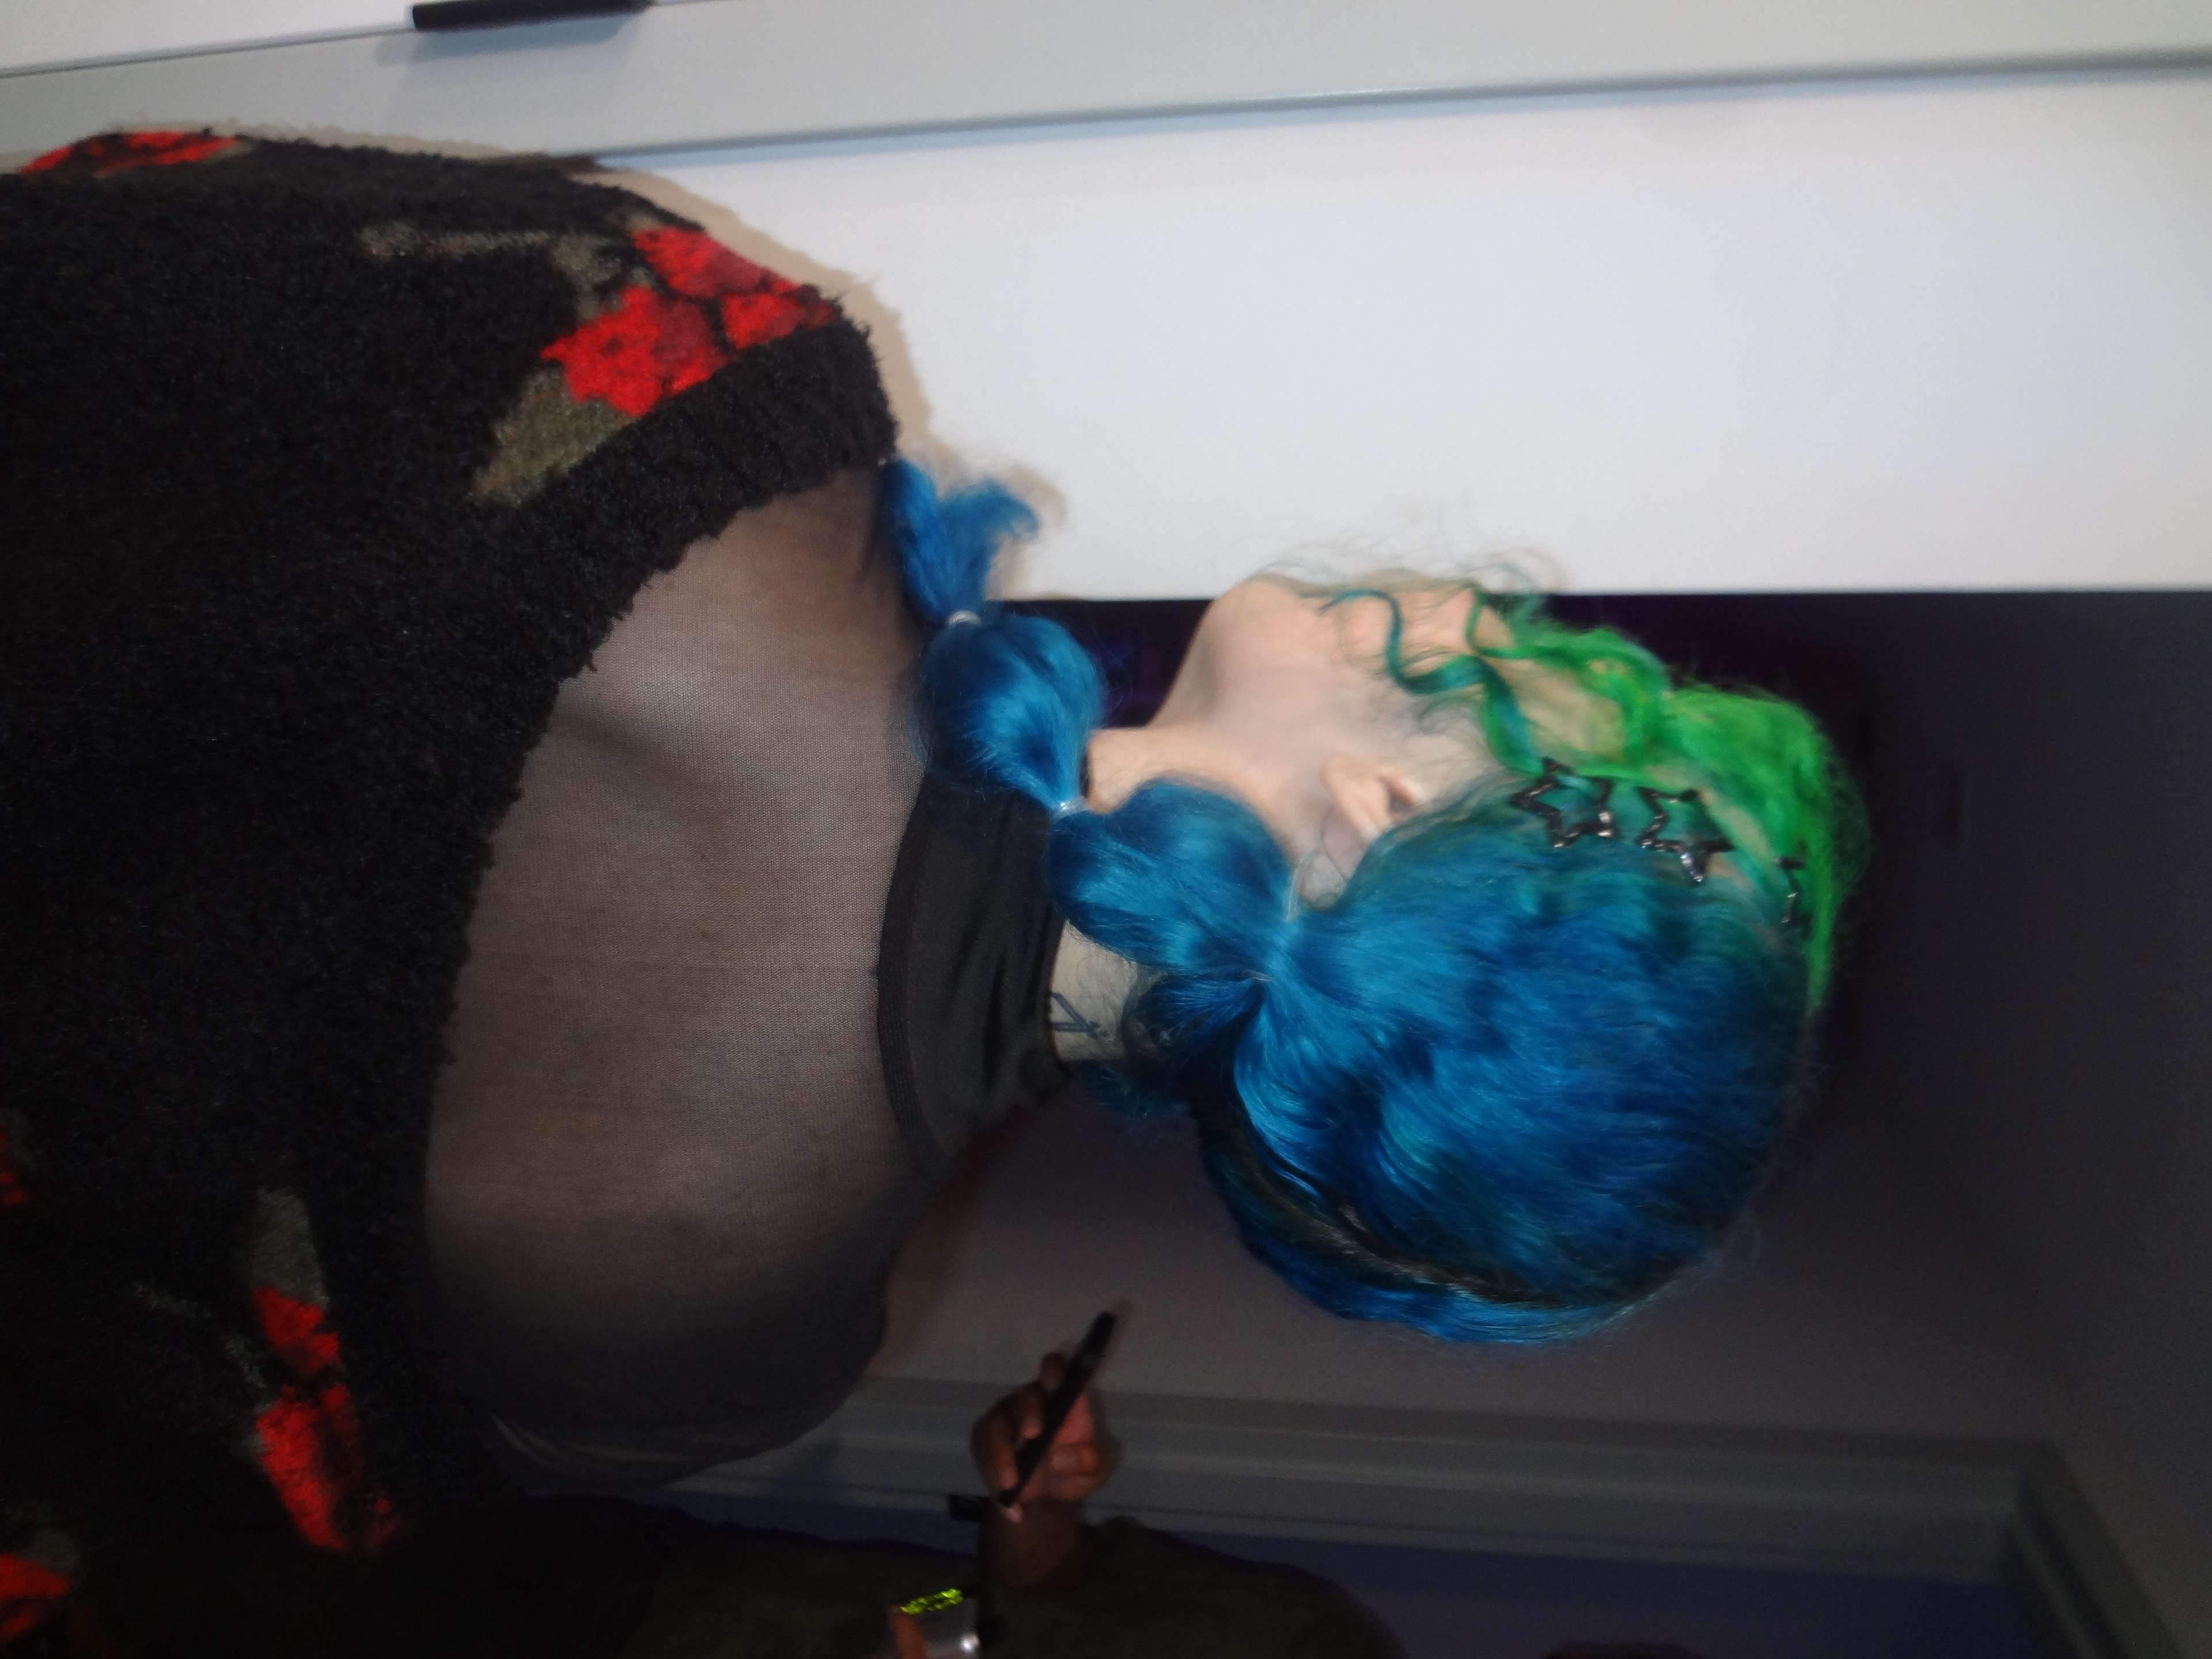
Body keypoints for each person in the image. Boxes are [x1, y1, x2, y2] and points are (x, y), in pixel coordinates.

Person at [0, 130, 1860, 1643]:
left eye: (1520, 657)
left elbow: (66, 275)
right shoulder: (742, 1375)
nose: (1472, 600)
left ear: (1371, 816)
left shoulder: (701, 430)